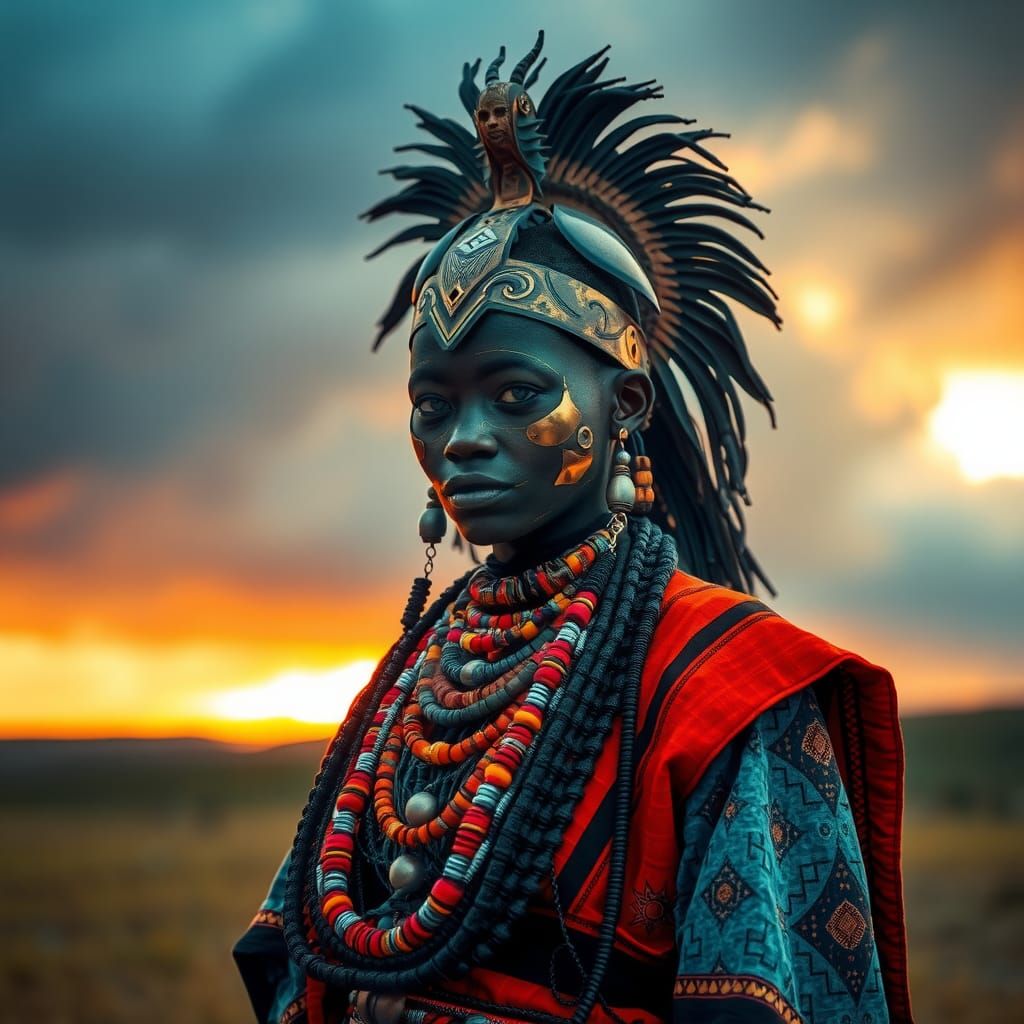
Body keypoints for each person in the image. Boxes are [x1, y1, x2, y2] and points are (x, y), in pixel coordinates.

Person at [234, 33, 913, 1024]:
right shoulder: (421, 668)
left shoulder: (725, 687)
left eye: (515, 395)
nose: (464, 439)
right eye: (434, 404)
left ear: (625, 407)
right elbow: (307, 941)